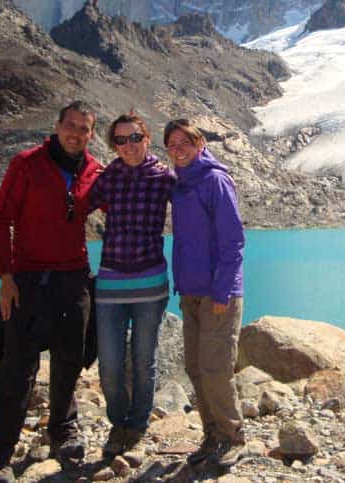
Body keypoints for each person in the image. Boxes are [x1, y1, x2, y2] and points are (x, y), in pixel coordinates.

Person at [0, 101, 103, 483]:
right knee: (17, 367)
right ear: (57, 126)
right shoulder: (27, 163)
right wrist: (6, 276)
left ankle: (62, 432)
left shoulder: (94, 171)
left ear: (90, 134)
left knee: (69, 360)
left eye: (83, 128)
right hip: (29, 281)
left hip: (74, 279)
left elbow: (120, 210)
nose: (75, 133)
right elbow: (1, 220)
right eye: (70, 125)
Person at [88, 112, 176, 457]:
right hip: (110, 283)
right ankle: (117, 420)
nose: (129, 146)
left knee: (144, 358)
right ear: (114, 144)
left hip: (150, 283)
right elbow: (77, 205)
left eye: (134, 137)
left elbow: (195, 206)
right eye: (121, 140)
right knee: (109, 362)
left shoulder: (163, 178)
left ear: (147, 138)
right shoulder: (108, 177)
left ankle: (136, 424)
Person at [164, 118, 246, 468]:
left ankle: (232, 437)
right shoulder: (181, 184)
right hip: (191, 294)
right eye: (172, 144)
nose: (178, 149)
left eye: (185, 142)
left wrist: (222, 290)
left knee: (216, 368)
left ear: (200, 144)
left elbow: (234, 241)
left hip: (217, 295)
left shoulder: (215, 180)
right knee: (196, 367)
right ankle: (211, 434)